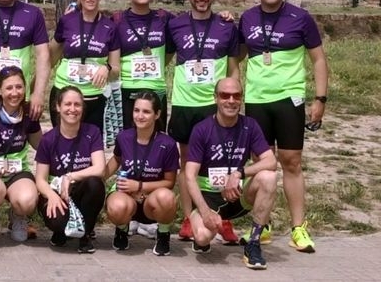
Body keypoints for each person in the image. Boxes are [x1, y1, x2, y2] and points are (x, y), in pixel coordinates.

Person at [238, 0, 328, 253]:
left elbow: (318, 60)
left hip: (289, 99)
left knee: (291, 161)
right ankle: (262, 225)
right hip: (256, 100)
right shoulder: (248, 18)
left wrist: (320, 99)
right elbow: (235, 56)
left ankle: (298, 227)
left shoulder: (300, 18)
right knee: (262, 162)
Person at [168, 0, 241, 244]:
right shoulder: (175, 25)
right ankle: (189, 218)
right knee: (187, 163)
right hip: (185, 104)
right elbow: (165, 58)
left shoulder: (226, 26)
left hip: (214, 105)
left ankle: (224, 219)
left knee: (223, 160)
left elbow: (233, 67)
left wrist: (233, 101)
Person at [185, 77, 278, 270]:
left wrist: (239, 174)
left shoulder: (250, 125)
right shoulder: (202, 129)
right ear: (216, 98)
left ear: (241, 99)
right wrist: (204, 211)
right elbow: (189, 176)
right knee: (203, 237)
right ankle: (203, 233)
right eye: (224, 95)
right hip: (209, 198)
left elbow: (271, 161)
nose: (231, 100)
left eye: (236, 96)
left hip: (237, 194)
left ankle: (253, 243)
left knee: (269, 176)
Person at [105, 90, 179, 256]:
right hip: (127, 196)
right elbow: (116, 159)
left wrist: (140, 185)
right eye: (136, 110)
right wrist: (98, 177)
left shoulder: (167, 144)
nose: (140, 116)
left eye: (146, 111)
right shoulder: (124, 137)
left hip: (151, 202)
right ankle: (122, 230)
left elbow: (170, 182)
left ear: (157, 114)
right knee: (117, 206)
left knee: (167, 197)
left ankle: (163, 234)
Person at [35, 86, 106, 254]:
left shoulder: (92, 132)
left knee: (95, 184)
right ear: (58, 107)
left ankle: (85, 234)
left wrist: (70, 176)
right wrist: (51, 195)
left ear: (83, 108)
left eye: (77, 105)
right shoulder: (48, 139)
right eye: (67, 104)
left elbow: (100, 168)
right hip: (57, 193)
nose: (72, 109)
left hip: (79, 191)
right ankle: (60, 232)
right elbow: (40, 179)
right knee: (58, 222)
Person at [0, 66, 42, 242]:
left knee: (27, 200)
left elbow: (40, 145)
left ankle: (18, 216)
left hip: (17, 171)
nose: (15, 93)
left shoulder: (29, 113)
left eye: (19, 87)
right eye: (9, 88)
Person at [49, 0, 119, 132]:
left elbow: (116, 69)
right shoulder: (67, 21)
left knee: (89, 150)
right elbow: (50, 56)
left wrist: (107, 69)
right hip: (64, 93)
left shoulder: (110, 27)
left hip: (94, 98)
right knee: (61, 146)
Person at [111, 0, 174, 131]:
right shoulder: (118, 20)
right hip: (127, 88)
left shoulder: (163, 18)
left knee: (157, 139)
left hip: (156, 88)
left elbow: (191, 21)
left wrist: (221, 16)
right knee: (127, 139)